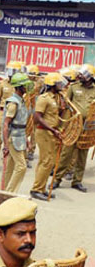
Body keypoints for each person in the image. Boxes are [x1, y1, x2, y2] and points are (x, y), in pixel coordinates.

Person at [54, 64, 95, 192]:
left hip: (88, 127)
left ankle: (77, 181)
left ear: (90, 77)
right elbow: (66, 105)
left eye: (83, 74)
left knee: (82, 155)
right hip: (74, 125)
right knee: (66, 153)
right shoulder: (73, 87)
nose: (79, 76)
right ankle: (57, 179)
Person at [30, 73, 66, 200]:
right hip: (44, 132)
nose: (61, 85)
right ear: (52, 84)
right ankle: (36, 189)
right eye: (58, 83)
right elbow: (37, 117)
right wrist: (52, 129)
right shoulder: (44, 98)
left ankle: (41, 187)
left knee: (48, 161)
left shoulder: (56, 97)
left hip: (52, 132)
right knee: (46, 162)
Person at [0, 73, 31, 193]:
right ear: (19, 87)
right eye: (24, 85)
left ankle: (2, 191)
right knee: (21, 167)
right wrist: (6, 144)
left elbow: (22, 124)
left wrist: (26, 140)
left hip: (20, 136)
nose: (27, 87)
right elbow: (6, 124)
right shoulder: (13, 103)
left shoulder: (21, 101)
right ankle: (10, 192)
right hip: (13, 138)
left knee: (10, 168)